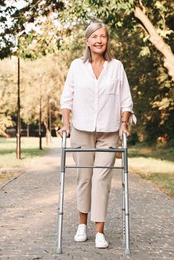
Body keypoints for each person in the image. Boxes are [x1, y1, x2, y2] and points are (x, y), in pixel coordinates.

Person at [57, 21, 136, 249]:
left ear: (107, 40)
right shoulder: (76, 66)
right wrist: (66, 123)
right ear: (87, 41)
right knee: (84, 178)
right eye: (94, 37)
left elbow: (125, 99)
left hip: (110, 132)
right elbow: (67, 98)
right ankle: (82, 225)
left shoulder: (117, 66)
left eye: (103, 36)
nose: (99, 40)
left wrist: (123, 124)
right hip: (81, 130)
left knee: (102, 180)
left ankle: (99, 230)